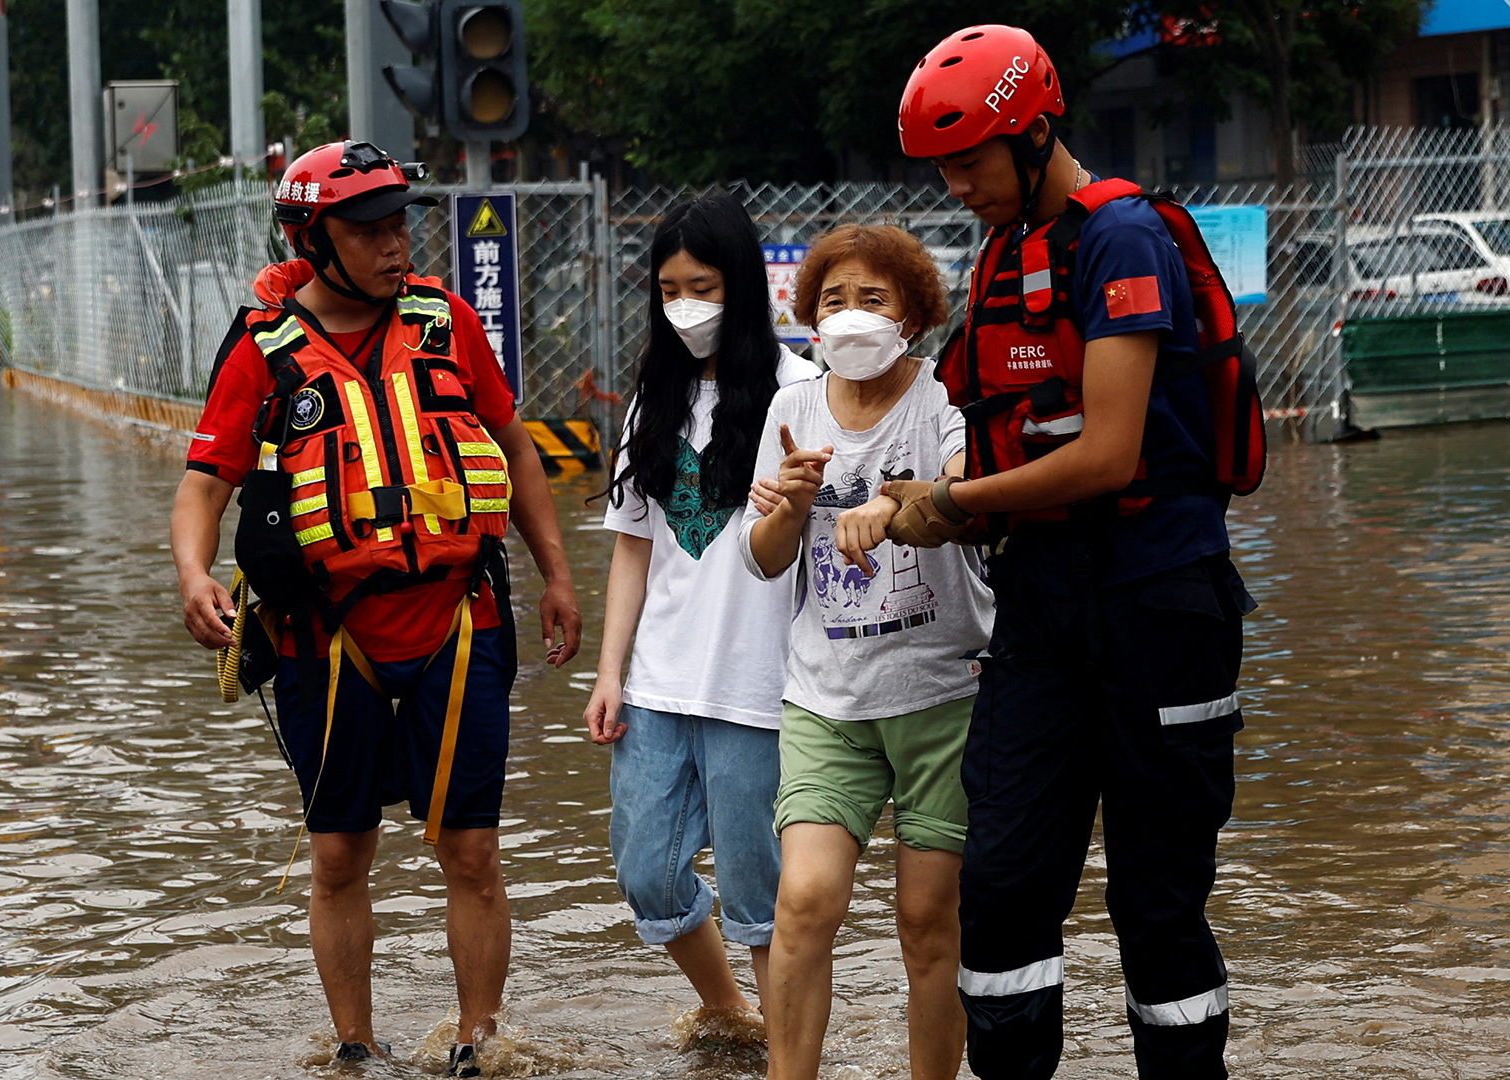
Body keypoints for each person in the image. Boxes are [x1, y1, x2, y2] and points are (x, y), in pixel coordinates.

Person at [883, 26, 1261, 1079]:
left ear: (1037, 131)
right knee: (999, 886)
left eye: (970, 161)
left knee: (1157, 902)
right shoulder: (1005, 252)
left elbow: (1107, 454)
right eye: (943, 167)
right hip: (1042, 608)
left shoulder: (1123, 241)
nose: (956, 186)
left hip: (1158, 606)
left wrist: (951, 504)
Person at [169, 141, 582, 1078]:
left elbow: (514, 450)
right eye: (371, 230)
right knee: (340, 853)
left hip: (459, 619)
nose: (397, 244)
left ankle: (480, 1044)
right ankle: (354, 1046)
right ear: (315, 240)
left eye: (402, 223)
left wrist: (558, 574)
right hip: (328, 636)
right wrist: (193, 572)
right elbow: (203, 484)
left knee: (472, 850)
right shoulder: (262, 353)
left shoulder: (446, 320)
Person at [741, 224, 995, 1080]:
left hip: (942, 696)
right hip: (827, 699)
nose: (851, 317)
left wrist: (900, 506)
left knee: (928, 922)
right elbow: (766, 557)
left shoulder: (941, 400)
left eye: (872, 300)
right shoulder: (790, 410)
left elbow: (973, 497)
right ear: (808, 318)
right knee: (803, 902)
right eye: (833, 301)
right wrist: (792, 503)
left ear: (913, 316)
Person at [582, 193, 819, 1034]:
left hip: (761, 689)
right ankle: (730, 1011)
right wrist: (610, 672)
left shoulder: (802, 393)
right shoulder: (657, 395)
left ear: (745, 287)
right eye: (670, 286)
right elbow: (634, 549)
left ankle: (788, 1052)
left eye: (705, 286)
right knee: (646, 871)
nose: (685, 305)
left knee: (763, 896)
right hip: (657, 687)